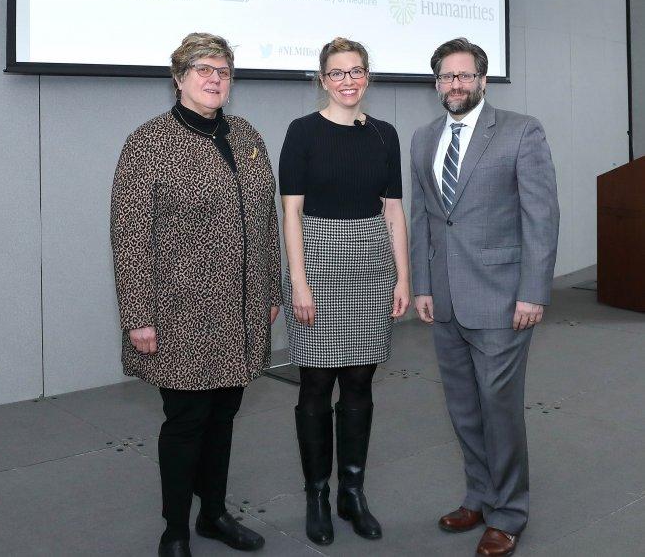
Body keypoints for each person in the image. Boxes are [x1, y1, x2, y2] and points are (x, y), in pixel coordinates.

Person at [111, 32, 282, 557]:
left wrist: (271, 288)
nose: (214, 79)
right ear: (179, 77)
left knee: (224, 416)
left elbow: (264, 220)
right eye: (203, 68)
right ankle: (175, 530)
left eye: (223, 71)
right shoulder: (148, 142)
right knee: (186, 422)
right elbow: (129, 233)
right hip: (179, 312)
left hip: (243, 308)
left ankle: (213, 514)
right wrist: (139, 314)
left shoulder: (247, 135)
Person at [410, 38, 560, 557]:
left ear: (482, 79)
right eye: (447, 77)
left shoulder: (521, 131)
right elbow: (424, 219)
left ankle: (509, 512)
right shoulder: (423, 138)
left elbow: (541, 217)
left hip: (502, 299)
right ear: (436, 84)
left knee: (499, 409)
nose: (456, 84)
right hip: (446, 299)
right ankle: (478, 494)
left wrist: (533, 292)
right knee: (464, 408)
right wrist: (424, 285)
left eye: (465, 76)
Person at [279, 37, 411, 546]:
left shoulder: (385, 135)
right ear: (322, 79)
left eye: (356, 71)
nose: (348, 81)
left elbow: (394, 210)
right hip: (317, 263)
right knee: (315, 387)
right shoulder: (302, 132)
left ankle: (351, 493)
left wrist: (402, 276)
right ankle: (316, 495)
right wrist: (299, 282)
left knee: (359, 384)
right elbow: (291, 212)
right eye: (337, 73)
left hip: (371, 264)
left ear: (368, 76)